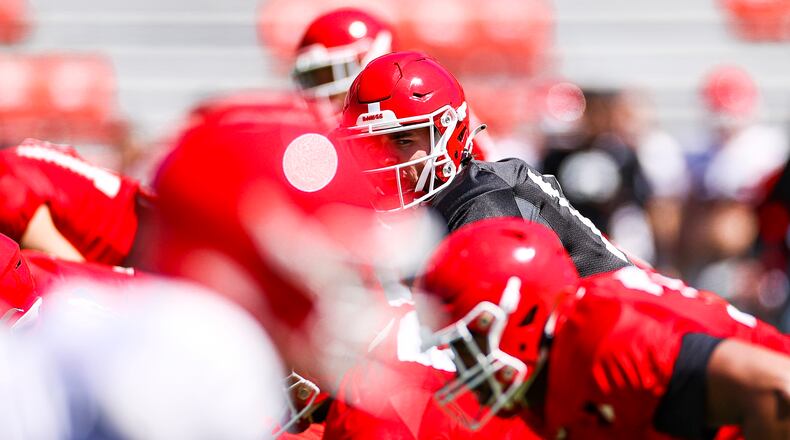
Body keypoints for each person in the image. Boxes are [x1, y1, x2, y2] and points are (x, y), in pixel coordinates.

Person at [415, 217, 790, 439]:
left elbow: (778, 388)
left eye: (472, 338)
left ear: (525, 314)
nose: (463, 364)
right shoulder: (546, 372)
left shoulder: (611, 340)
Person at [337, 51, 630, 278]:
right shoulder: (441, 201)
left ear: (449, 135)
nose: (383, 159)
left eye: (403, 141)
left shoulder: (483, 204)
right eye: (372, 144)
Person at [0, 138, 152, 265]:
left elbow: (74, 276)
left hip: (139, 248)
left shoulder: (7, 196)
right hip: (147, 215)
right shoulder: (15, 158)